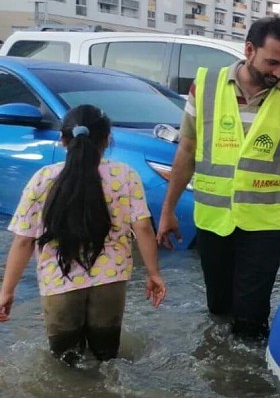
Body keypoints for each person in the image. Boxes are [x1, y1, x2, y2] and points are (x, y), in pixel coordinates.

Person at [156, 15, 280, 340]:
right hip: (213, 219)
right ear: (249, 49)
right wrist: (167, 212)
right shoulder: (204, 86)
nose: (279, 73)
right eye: (272, 62)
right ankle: (217, 372)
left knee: (252, 316)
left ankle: (247, 381)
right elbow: (186, 151)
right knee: (219, 307)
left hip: (264, 223)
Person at [0, 105, 166, 364]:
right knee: (108, 361)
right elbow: (143, 228)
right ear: (107, 139)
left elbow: (23, 240)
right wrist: (154, 273)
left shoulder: (43, 178)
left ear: (63, 140)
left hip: (59, 284)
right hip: (109, 282)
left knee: (65, 366)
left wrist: (7, 291)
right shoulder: (126, 176)